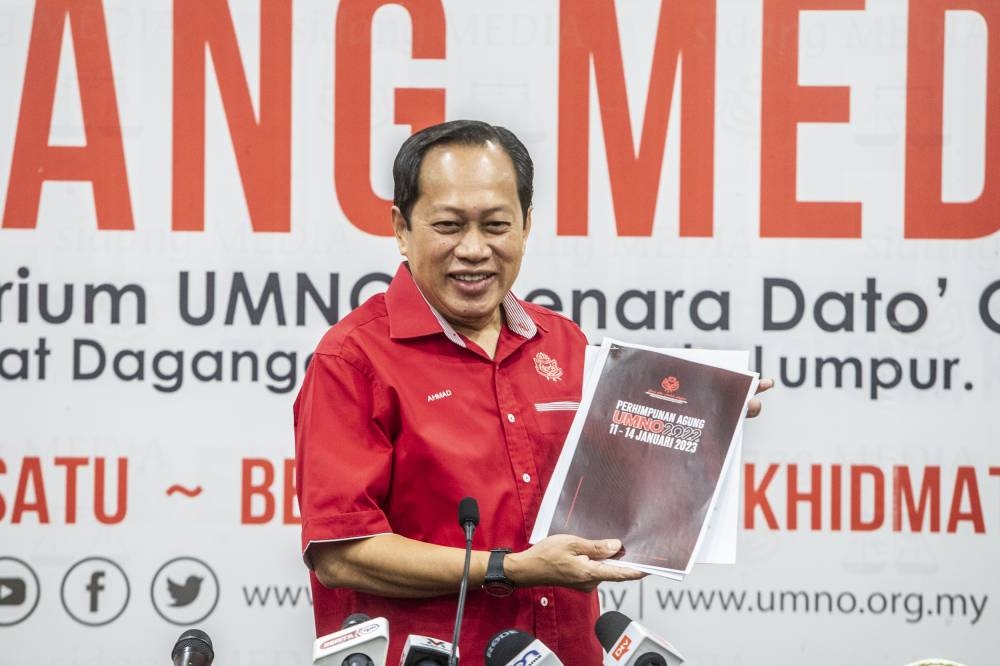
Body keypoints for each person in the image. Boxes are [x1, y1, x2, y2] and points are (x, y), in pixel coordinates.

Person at [293, 119, 771, 664]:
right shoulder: (352, 359)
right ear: (401, 228)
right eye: (448, 225)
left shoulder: (564, 344)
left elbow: (619, 495)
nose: (474, 249)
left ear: (526, 225)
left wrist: (705, 419)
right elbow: (341, 554)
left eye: (497, 225)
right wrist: (509, 569)